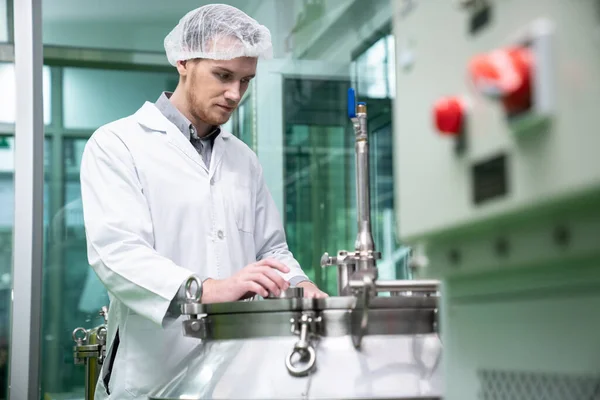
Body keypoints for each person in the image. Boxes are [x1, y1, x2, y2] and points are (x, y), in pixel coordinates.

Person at [79, 4, 327, 399]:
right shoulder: (118, 144)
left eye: (246, 81)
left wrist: (301, 284)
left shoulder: (243, 158)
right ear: (183, 61)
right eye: (223, 75)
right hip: (153, 376)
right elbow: (117, 254)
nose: (234, 94)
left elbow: (272, 248)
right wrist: (204, 290)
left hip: (237, 375)